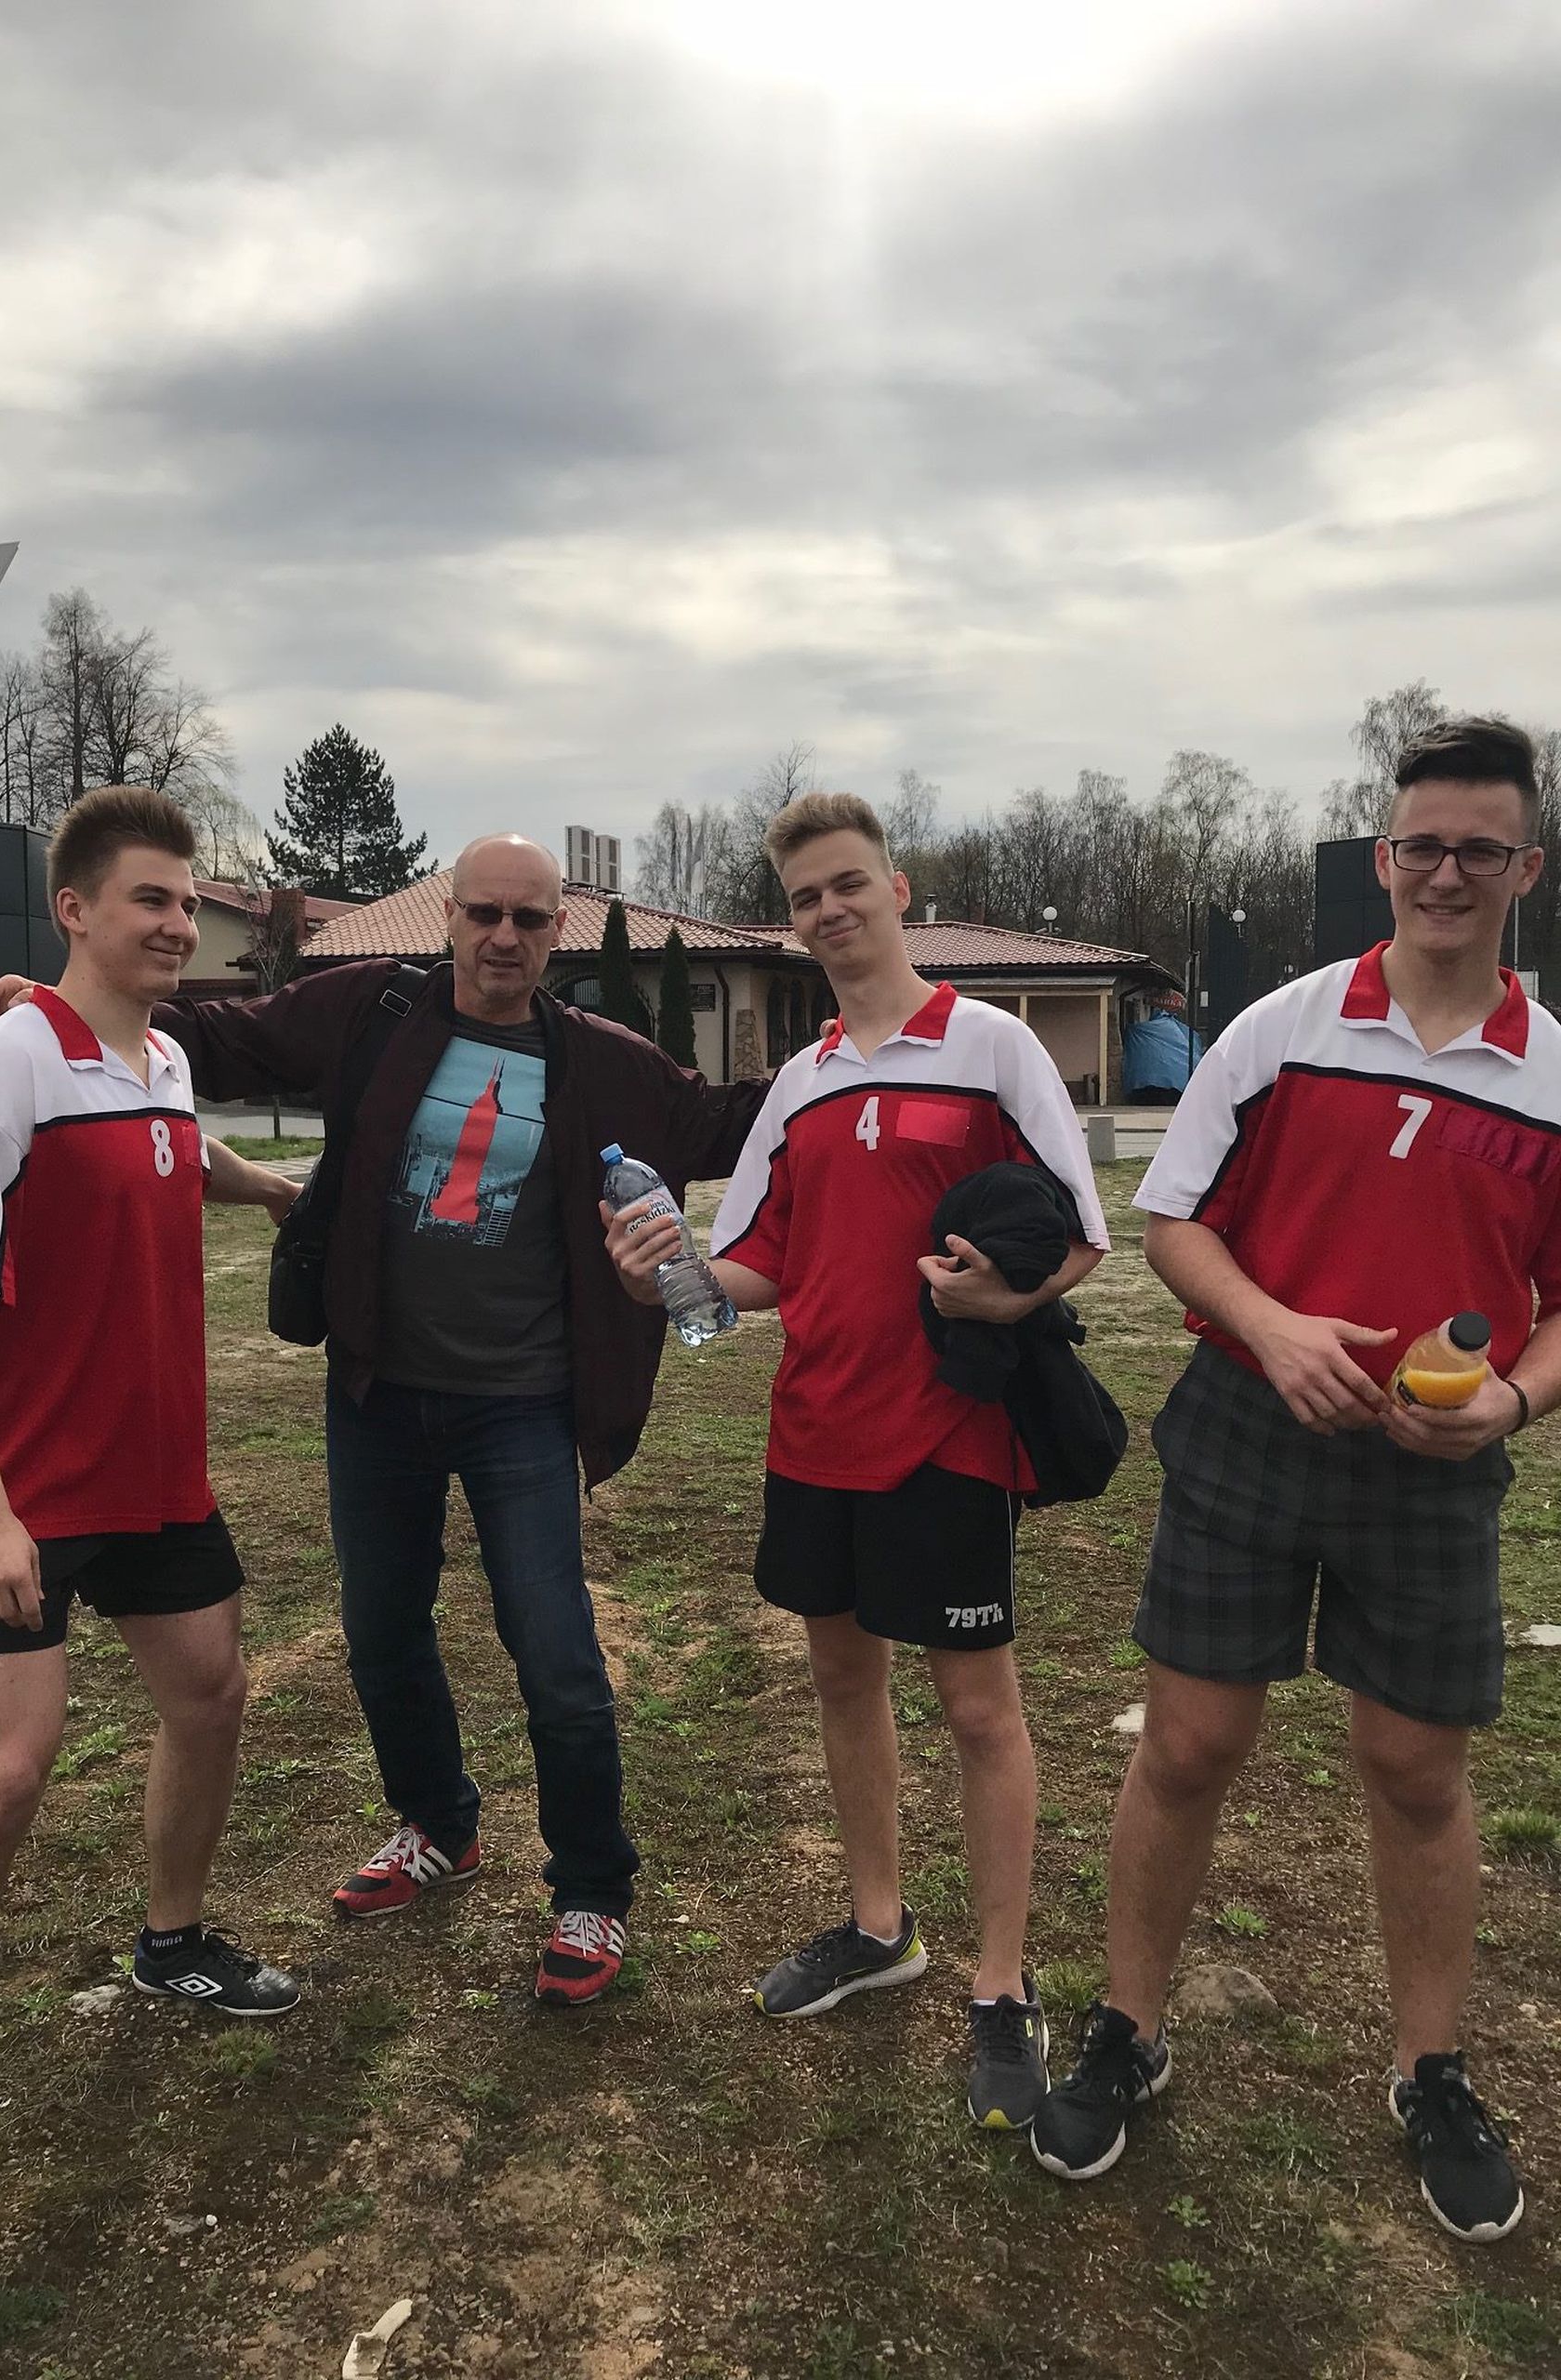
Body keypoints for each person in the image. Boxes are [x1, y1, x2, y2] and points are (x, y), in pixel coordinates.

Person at [0, 834, 764, 2005]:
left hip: (523, 1404)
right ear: (452, 917)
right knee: (382, 1630)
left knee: (556, 1654)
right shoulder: (374, 1010)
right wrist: (60, 1009)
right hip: (379, 1393)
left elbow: (734, 1122)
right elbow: (221, 1035)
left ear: (558, 932)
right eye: (484, 913)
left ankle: (592, 1887)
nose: (504, 938)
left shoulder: (605, 1062)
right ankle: (438, 1823)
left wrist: (855, 1055)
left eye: (529, 920)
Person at [1031, 718, 1556, 2243]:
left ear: (1525, 868)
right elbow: (1175, 1224)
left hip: (1437, 1461)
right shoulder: (1280, 1029)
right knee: (1190, 1746)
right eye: (1421, 846)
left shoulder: (1555, 1076)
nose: (1445, 874)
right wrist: (1270, 1329)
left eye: (1477, 849)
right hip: (1248, 1426)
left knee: (1417, 1770)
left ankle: (1431, 2070)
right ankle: (1128, 2029)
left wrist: (1512, 1401)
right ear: (1383, 858)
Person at [607, 793, 1108, 2127]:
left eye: (847, 884)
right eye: (804, 897)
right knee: (843, 1679)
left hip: (948, 1434)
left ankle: (1000, 1984)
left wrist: (1008, 1298)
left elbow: (1078, 1236)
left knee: (980, 1711)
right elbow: (756, 1269)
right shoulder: (802, 1081)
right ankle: (880, 1926)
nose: (828, 910)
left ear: (896, 890)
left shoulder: (994, 1047)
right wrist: (667, 1274)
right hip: (815, 1429)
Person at [0, 787, 301, 2248]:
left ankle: (171, 1942)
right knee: (2, 1780)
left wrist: (270, 1189)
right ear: (75, 910)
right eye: (150, 901)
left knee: (212, 1697)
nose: (178, 925)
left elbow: (172, 1155)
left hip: (157, 1477)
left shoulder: (160, 1059)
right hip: (26, 1497)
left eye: (186, 901)